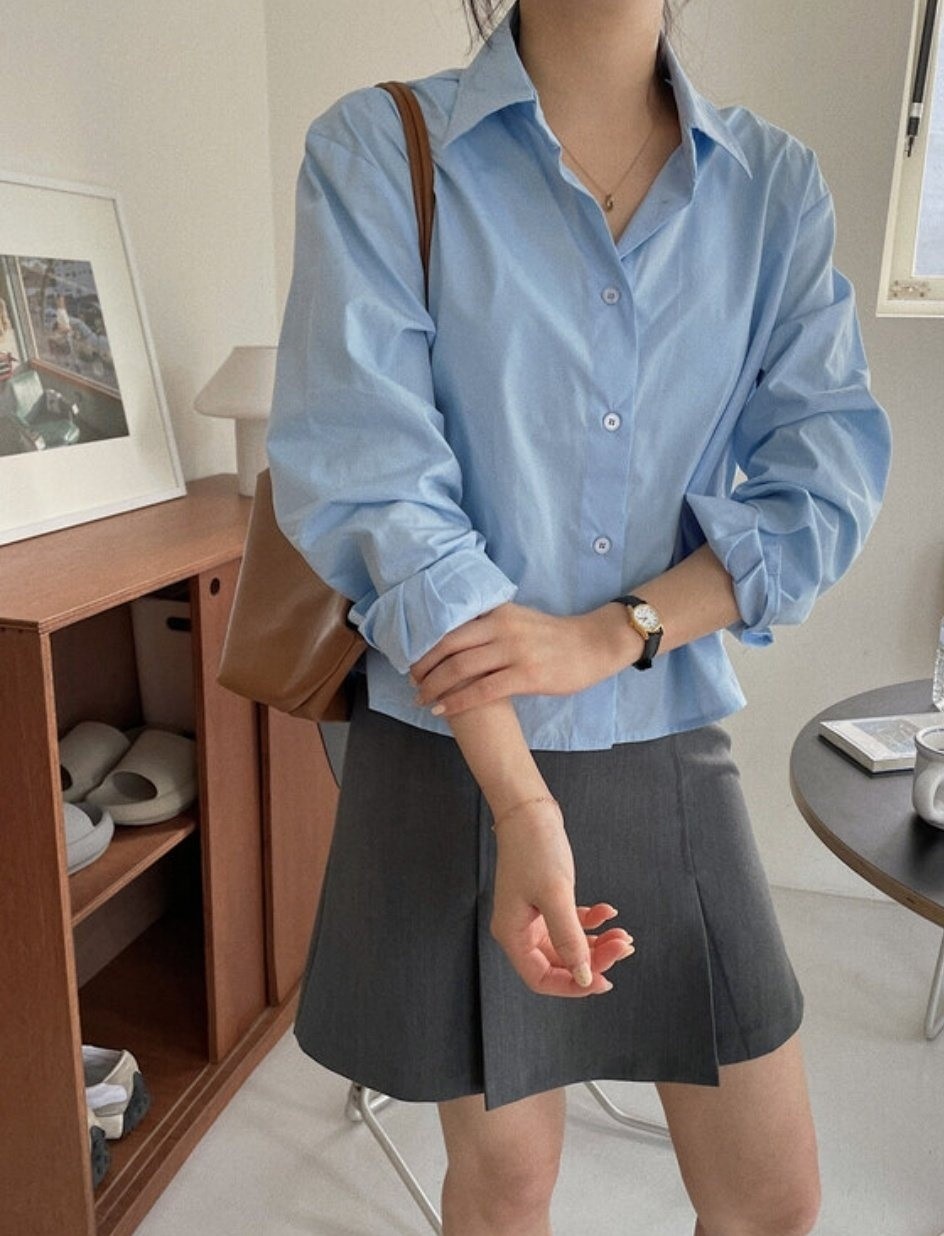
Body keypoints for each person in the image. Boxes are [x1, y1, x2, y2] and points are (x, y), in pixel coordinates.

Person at [265, 0, 892, 1232]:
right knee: (507, 1183)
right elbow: (379, 490)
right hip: (455, 748)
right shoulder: (379, 150)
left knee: (771, 1198)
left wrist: (615, 631)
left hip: (660, 737)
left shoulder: (769, 187)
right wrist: (521, 802)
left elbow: (820, 483)